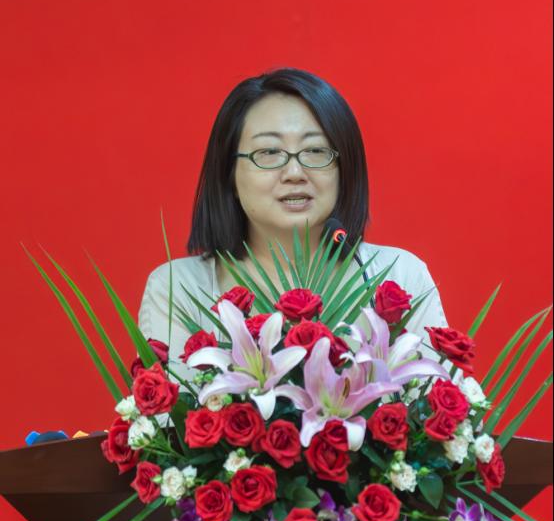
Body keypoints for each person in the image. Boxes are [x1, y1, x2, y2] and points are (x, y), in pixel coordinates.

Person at [138, 68, 448, 382]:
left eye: (315, 151)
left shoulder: (399, 277)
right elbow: (173, 412)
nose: (295, 173)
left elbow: (437, 404)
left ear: (344, 168)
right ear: (228, 173)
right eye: (269, 152)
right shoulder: (179, 288)